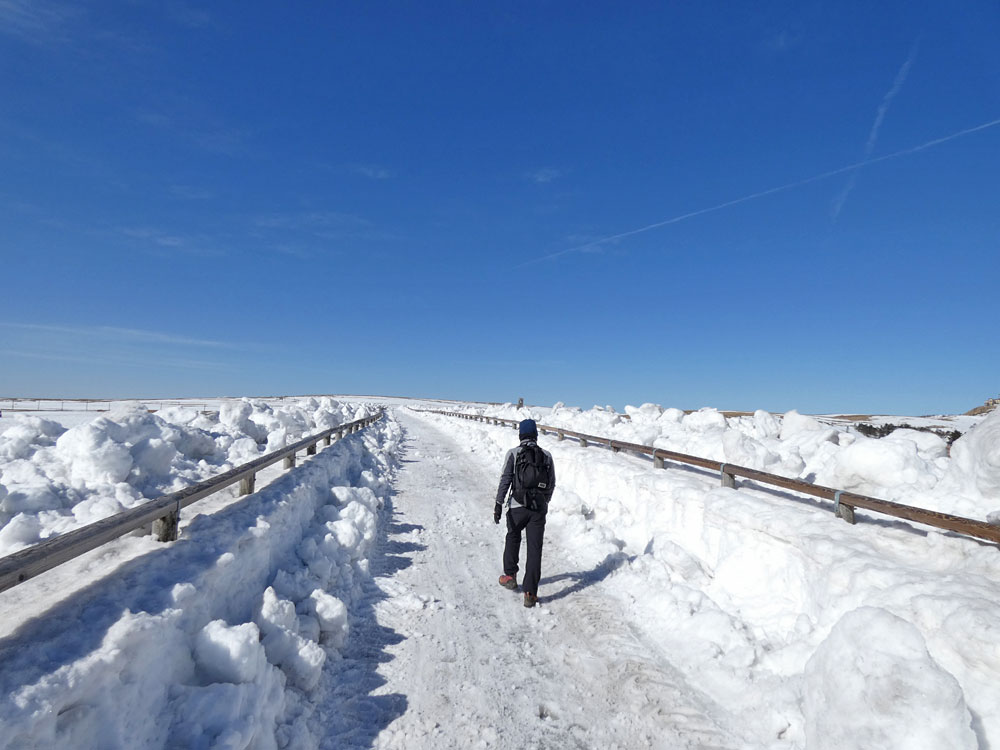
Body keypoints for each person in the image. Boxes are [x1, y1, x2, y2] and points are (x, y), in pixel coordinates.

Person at [493, 418, 556, 608]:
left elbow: (506, 480)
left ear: (520, 435)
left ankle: (510, 576)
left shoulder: (514, 453)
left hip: (517, 506)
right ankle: (530, 593)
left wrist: (498, 503)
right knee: (535, 548)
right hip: (538, 509)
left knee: (513, 537)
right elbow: (551, 483)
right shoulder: (546, 455)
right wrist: (544, 501)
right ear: (536, 435)